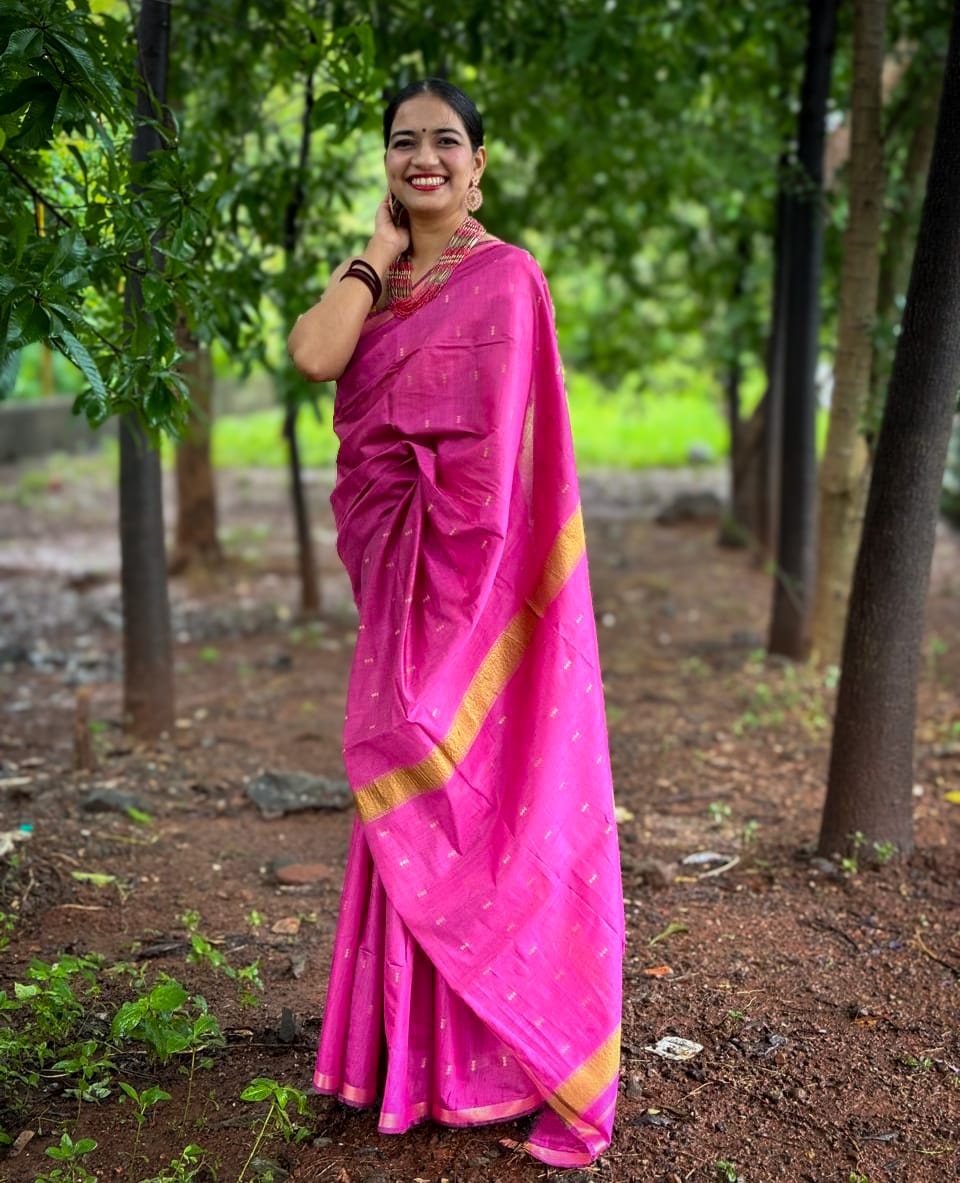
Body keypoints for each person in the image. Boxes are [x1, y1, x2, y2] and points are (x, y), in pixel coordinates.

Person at [288, 78, 624, 1170]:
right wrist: (372, 255)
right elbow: (314, 355)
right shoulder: (378, 285)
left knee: (457, 773)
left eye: (444, 141)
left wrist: (459, 543)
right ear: (387, 163)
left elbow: (503, 460)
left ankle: (508, 1052)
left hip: (474, 577)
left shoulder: (507, 277)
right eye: (403, 142)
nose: (422, 157)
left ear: (479, 162)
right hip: (399, 567)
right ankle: (406, 1056)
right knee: (410, 784)